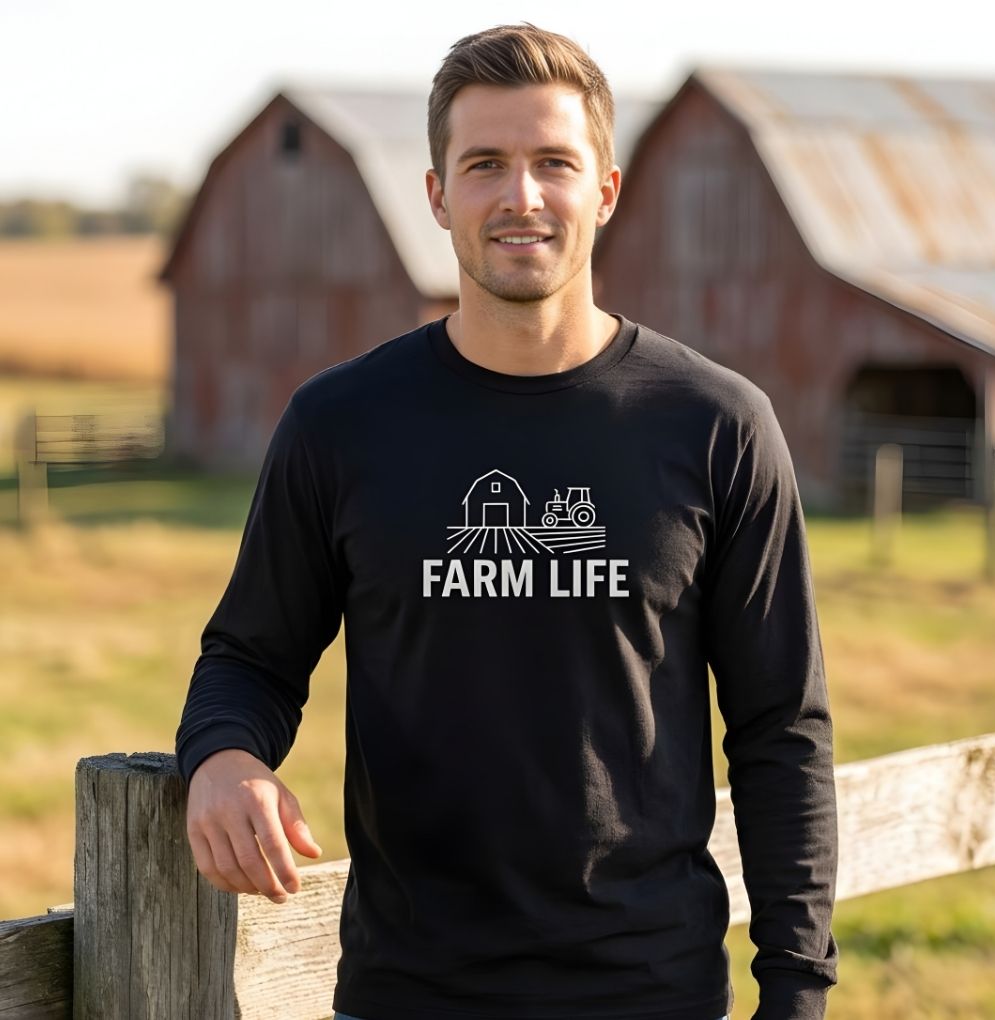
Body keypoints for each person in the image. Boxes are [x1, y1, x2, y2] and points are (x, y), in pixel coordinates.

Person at [176, 23, 838, 1020]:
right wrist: (223, 758)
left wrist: (796, 990)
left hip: (650, 993)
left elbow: (782, 730)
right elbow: (249, 657)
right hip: (409, 995)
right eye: (485, 164)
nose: (520, 196)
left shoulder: (716, 426)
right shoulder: (342, 424)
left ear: (605, 190)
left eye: (553, 164)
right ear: (438, 193)